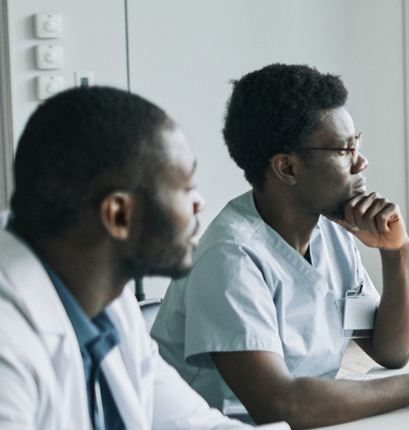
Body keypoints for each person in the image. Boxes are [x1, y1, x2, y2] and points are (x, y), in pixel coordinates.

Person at [150, 64, 409, 428]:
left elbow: (391, 351)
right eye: (345, 150)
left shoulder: (329, 231)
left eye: (357, 144)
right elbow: (281, 408)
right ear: (288, 168)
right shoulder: (231, 258)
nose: (361, 162)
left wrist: (396, 253)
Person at [0, 87, 267, 429]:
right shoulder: (10, 340)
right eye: (185, 188)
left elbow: (197, 425)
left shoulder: (109, 306)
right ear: (119, 214)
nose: (199, 203)